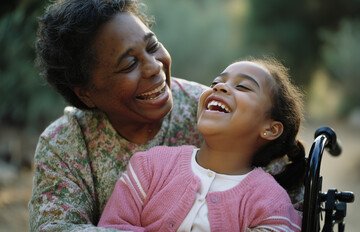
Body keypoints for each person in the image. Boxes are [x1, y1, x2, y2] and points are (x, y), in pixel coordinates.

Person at [29, 0, 303, 231]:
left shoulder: (213, 110)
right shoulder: (64, 145)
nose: (154, 67)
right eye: (128, 65)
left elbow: (289, 197)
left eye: (152, 47)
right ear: (86, 92)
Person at [97, 58, 306, 231]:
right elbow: (113, 227)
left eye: (242, 86)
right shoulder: (149, 166)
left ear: (270, 129)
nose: (220, 87)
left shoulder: (271, 201)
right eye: (216, 82)